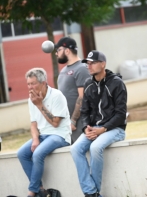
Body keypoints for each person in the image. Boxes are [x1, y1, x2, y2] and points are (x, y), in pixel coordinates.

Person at [70, 50, 127, 197]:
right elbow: (84, 111)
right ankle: (92, 193)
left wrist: (103, 129)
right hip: (94, 129)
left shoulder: (117, 83)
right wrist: (85, 127)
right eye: (87, 63)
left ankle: (92, 192)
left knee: (95, 147)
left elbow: (121, 115)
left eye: (92, 63)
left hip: (115, 129)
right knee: (75, 149)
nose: (88, 66)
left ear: (103, 64)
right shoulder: (88, 84)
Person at [17, 68, 71, 197]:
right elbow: (33, 124)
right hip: (43, 136)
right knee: (22, 153)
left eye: (33, 83)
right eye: (28, 84)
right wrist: (35, 139)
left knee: (38, 154)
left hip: (60, 135)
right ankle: (40, 190)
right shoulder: (31, 99)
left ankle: (32, 192)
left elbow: (55, 123)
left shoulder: (57, 96)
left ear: (43, 83)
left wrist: (39, 105)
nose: (30, 87)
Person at [55, 36, 91, 143]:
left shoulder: (82, 68)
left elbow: (82, 97)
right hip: (66, 124)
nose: (56, 53)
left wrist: (73, 120)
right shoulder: (63, 71)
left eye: (58, 50)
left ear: (67, 50)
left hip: (78, 123)